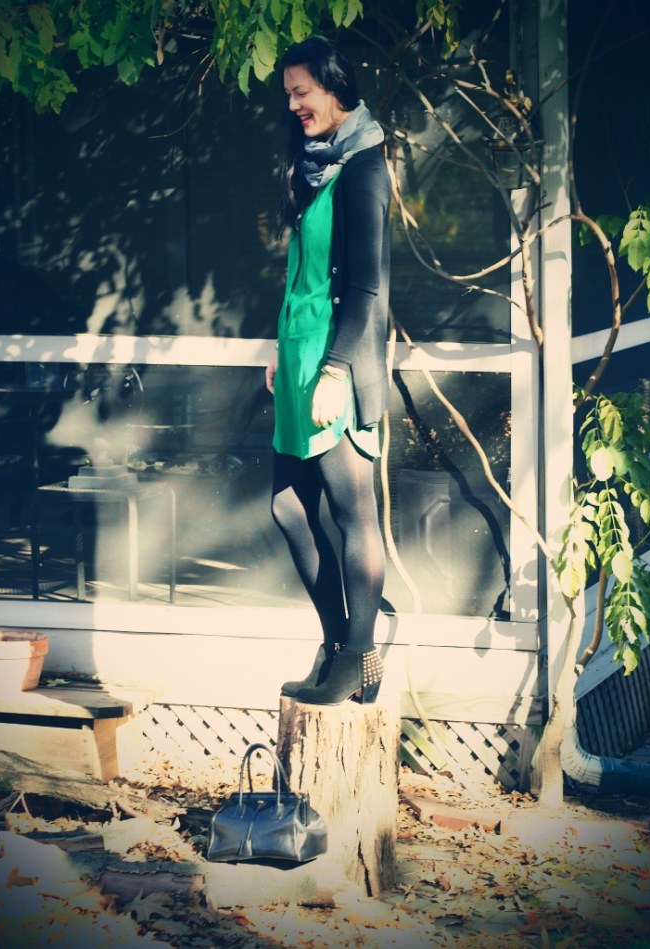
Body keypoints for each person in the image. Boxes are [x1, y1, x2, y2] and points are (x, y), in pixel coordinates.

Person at [265, 36, 391, 706]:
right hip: (298, 360)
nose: (293, 104)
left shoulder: (364, 165)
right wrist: (279, 350)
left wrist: (336, 370)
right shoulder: (314, 164)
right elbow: (304, 275)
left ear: (335, 88)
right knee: (288, 507)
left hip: (334, 364)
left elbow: (365, 286)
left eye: (301, 91)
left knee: (351, 511)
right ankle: (340, 645)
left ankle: (357, 657)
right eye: (288, 93)